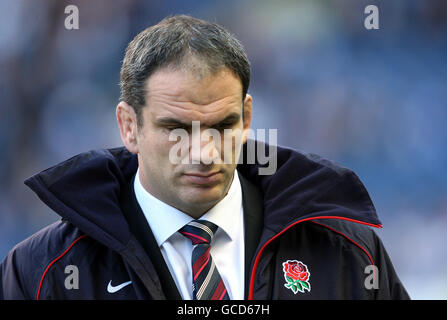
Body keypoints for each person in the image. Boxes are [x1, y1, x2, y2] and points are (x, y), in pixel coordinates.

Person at [0, 15, 409, 300]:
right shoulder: (41, 272)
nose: (204, 151)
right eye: (176, 129)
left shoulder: (346, 254)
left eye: (221, 126)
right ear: (128, 127)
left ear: (247, 117)